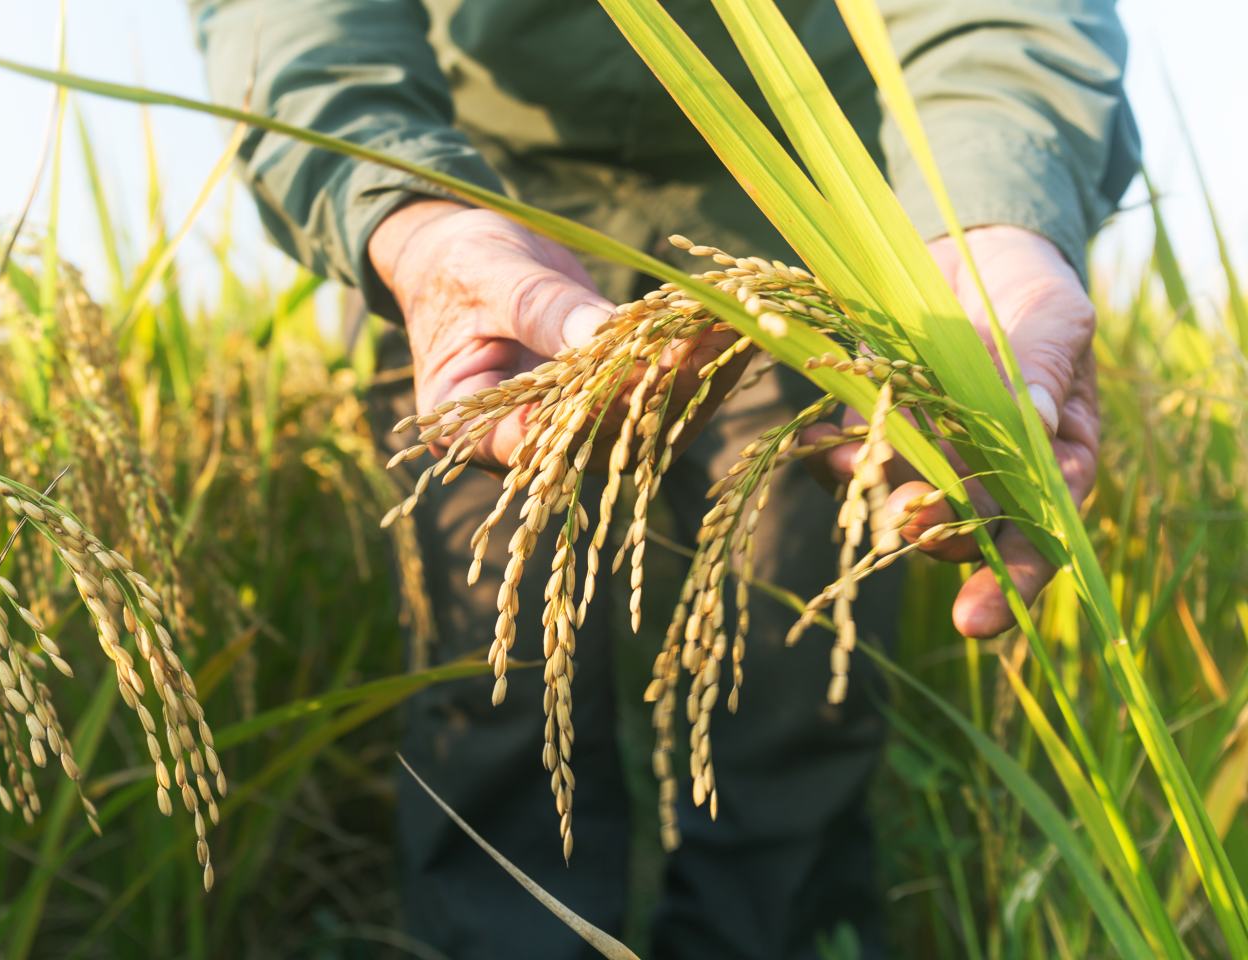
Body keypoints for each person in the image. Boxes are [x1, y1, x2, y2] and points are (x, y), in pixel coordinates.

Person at [189, 1, 1137, 956]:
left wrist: (995, 224)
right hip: (474, 199)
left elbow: (996, 16)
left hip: (803, 217)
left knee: (794, 677)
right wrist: (404, 205)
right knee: (493, 680)